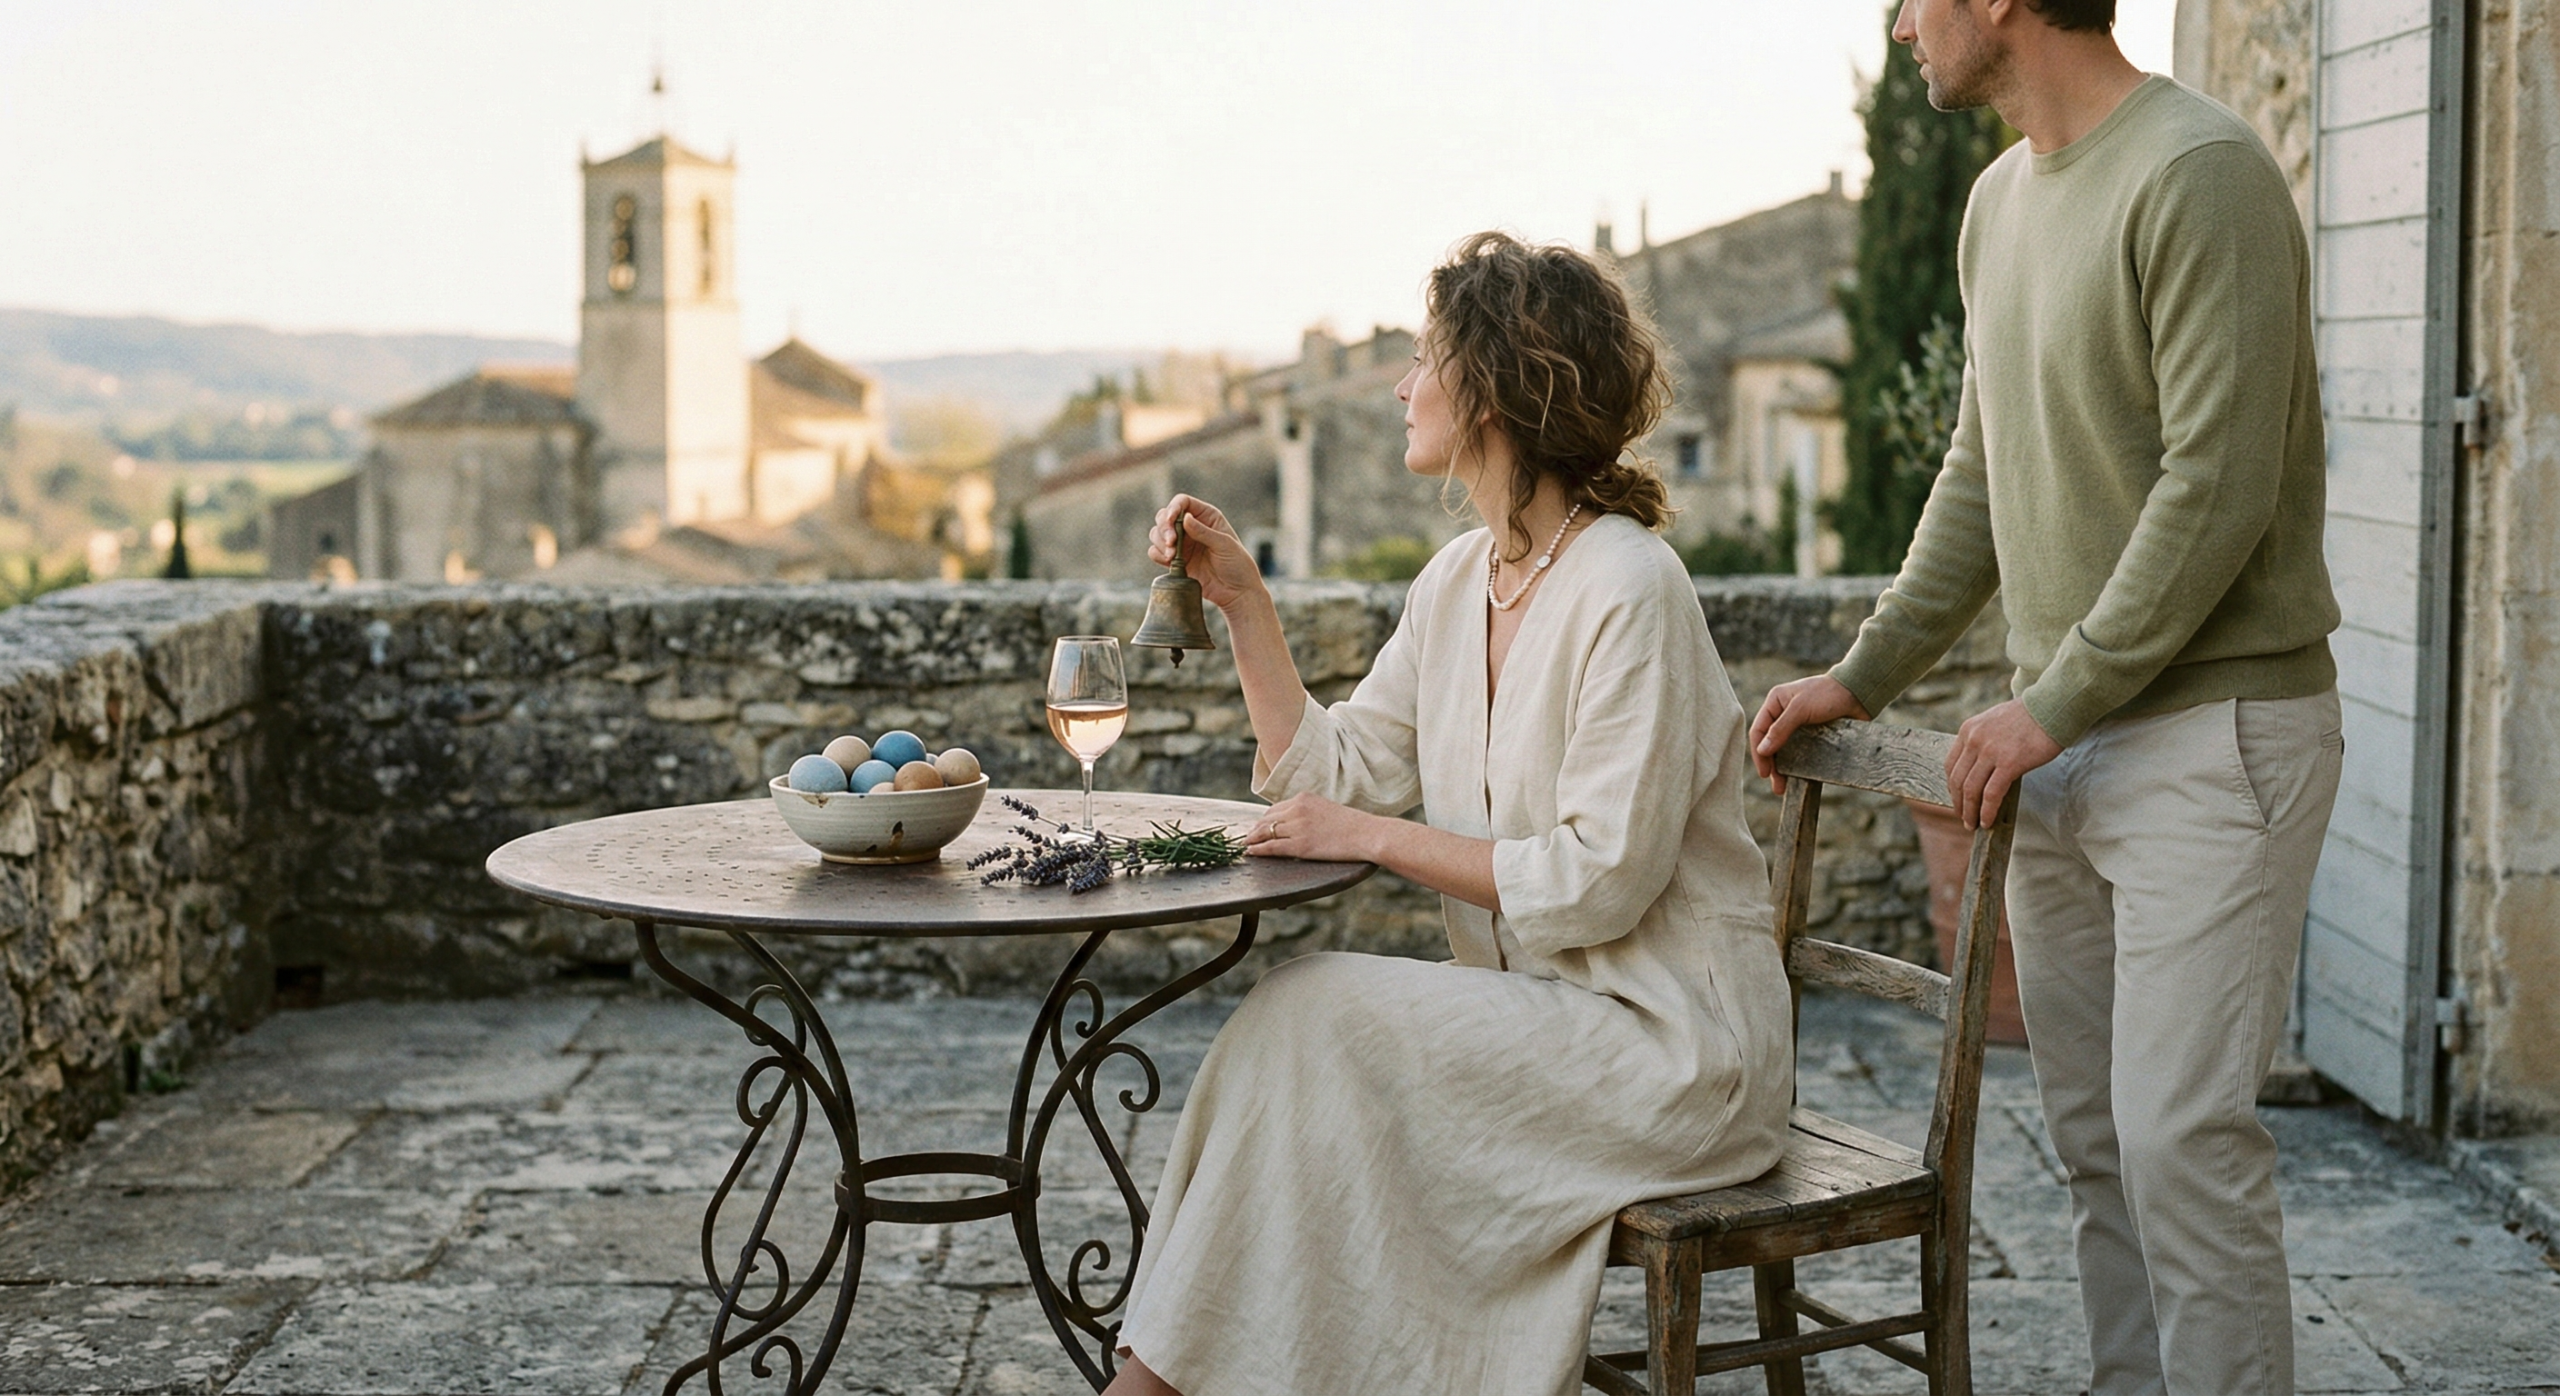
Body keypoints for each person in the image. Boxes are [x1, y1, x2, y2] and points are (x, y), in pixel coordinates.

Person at [1750, 3, 2343, 1393]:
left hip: (2217, 737)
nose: (1898, 24)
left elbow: (2216, 489)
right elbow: (1980, 474)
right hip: (2066, 749)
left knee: (2182, 1144)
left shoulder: (2203, 172)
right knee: (2093, 1145)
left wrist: (2051, 703)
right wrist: (1861, 673)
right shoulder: (1996, 200)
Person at [1099, 232, 1793, 1396]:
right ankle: (1180, 1376)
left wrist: (1367, 840)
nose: (1401, 386)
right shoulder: (1460, 577)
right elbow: (1342, 769)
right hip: (1545, 1021)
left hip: (1676, 1051)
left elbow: (1596, 882)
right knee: (1300, 1042)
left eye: (1426, 360)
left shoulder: (1631, 587)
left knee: (1316, 1020)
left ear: (1496, 391)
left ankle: (1162, 1386)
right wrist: (1245, 609)